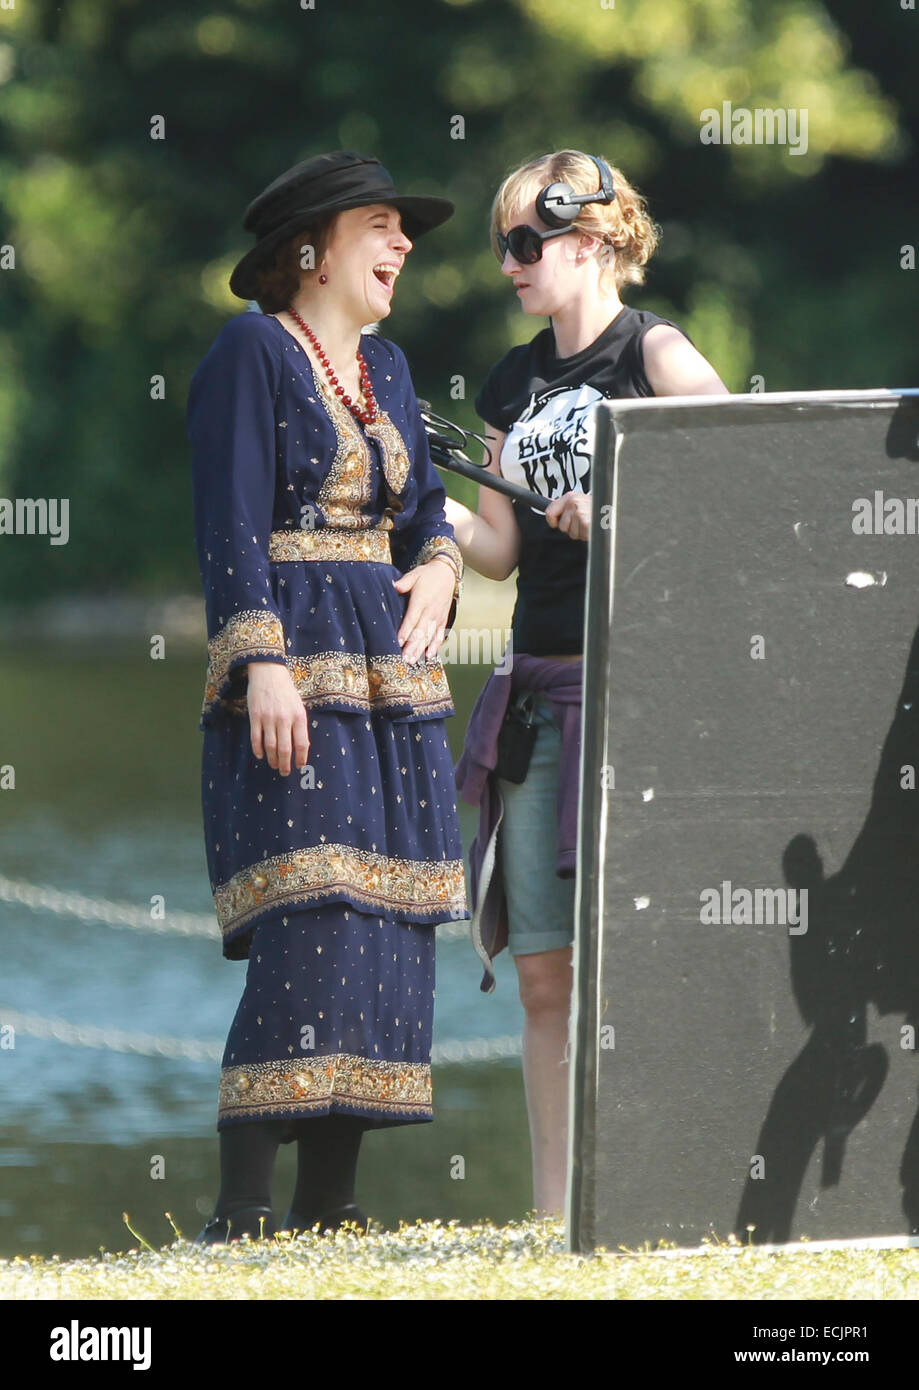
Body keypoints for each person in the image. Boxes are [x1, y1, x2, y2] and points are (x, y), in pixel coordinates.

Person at [186, 150, 468, 1243]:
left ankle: (332, 1205)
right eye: (382, 226)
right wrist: (260, 659)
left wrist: (441, 566)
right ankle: (243, 1209)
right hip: (293, 667)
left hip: (391, 683)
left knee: (382, 919)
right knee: (310, 916)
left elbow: (427, 511)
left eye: (405, 230)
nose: (403, 247)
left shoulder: (390, 369)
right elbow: (227, 520)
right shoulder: (252, 349)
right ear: (312, 247)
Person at [449, 150, 729, 1219]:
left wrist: (619, 497)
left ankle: (661, 1190)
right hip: (535, 692)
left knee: (645, 964)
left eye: (526, 241)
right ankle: (557, 1215)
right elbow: (498, 549)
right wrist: (419, 518)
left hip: (636, 700)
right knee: (541, 972)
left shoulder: (655, 352)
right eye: (502, 245)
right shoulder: (509, 383)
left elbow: (727, 482)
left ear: (594, 239)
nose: (510, 264)